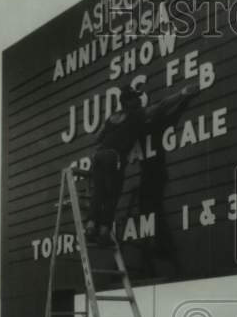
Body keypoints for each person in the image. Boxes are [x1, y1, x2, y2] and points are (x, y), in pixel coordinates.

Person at [86, 80, 201, 246]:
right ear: (127, 101)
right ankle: (104, 232)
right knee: (112, 195)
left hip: (98, 156)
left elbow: (97, 138)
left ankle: (90, 227)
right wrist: (183, 94)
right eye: (135, 98)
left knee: (98, 193)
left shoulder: (112, 117)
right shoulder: (137, 114)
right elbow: (161, 107)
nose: (139, 100)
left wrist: (114, 133)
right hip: (114, 157)